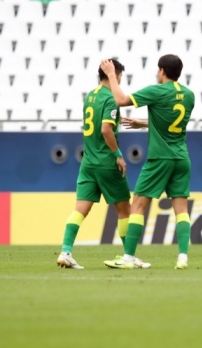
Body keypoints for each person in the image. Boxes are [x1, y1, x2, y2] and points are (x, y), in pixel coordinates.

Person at [101, 55, 195, 269]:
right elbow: (169, 122)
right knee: (181, 209)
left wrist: (110, 75)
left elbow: (121, 100)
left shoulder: (157, 91)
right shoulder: (189, 95)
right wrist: (143, 124)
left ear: (162, 70)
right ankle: (182, 257)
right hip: (181, 157)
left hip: (159, 158)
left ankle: (128, 259)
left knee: (138, 206)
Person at [56, 59, 151, 269]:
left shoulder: (91, 96)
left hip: (88, 162)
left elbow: (102, 122)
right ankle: (129, 256)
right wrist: (118, 154)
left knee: (80, 209)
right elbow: (106, 130)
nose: (120, 79)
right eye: (120, 76)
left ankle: (65, 251)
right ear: (114, 75)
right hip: (107, 162)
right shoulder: (111, 99)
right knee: (124, 209)